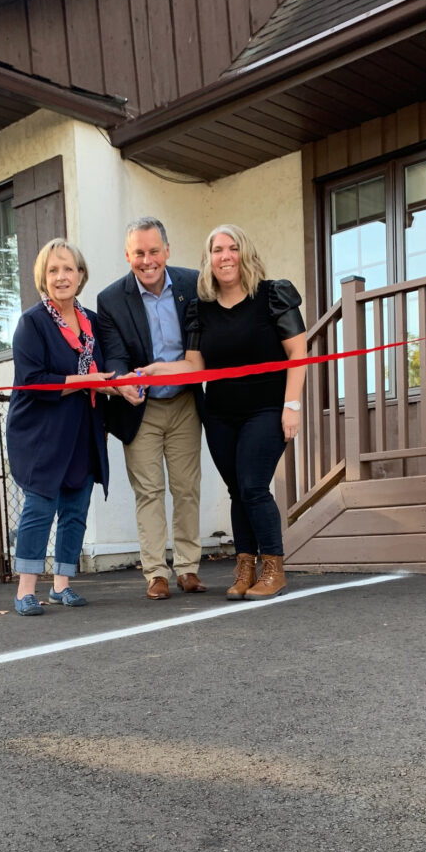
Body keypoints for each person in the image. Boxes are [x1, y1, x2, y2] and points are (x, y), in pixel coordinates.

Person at [140, 224, 306, 600]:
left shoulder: (271, 295)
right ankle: (245, 567)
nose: (225, 256)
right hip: (221, 415)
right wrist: (156, 370)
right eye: (217, 250)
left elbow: (299, 353)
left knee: (252, 485)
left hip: (266, 409)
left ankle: (273, 568)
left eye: (232, 248)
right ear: (208, 259)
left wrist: (291, 406)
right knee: (236, 491)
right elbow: (195, 366)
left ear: (244, 254)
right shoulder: (202, 309)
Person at [7, 238, 119, 617]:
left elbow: (103, 374)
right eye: (53, 270)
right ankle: (25, 590)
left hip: (84, 427)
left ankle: (62, 585)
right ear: (43, 277)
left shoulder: (92, 322)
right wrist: (88, 380)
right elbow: (35, 381)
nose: (61, 276)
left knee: (76, 506)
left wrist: (121, 389)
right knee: (40, 506)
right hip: (41, 432)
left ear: (81, 274)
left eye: (68, 268)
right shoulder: (32, 323)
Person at [96, 217, 206, 600]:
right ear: (128, 256)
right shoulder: (110, 300)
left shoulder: (193, 283)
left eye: (154, 251)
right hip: (140, 407)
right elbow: (115, 353)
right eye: (139, 253)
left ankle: (189, 568)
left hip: (185, 402)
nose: (147, 260)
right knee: (149, 491)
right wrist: (124, 384)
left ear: (167, 251)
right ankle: (156, 573)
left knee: (187, 488)